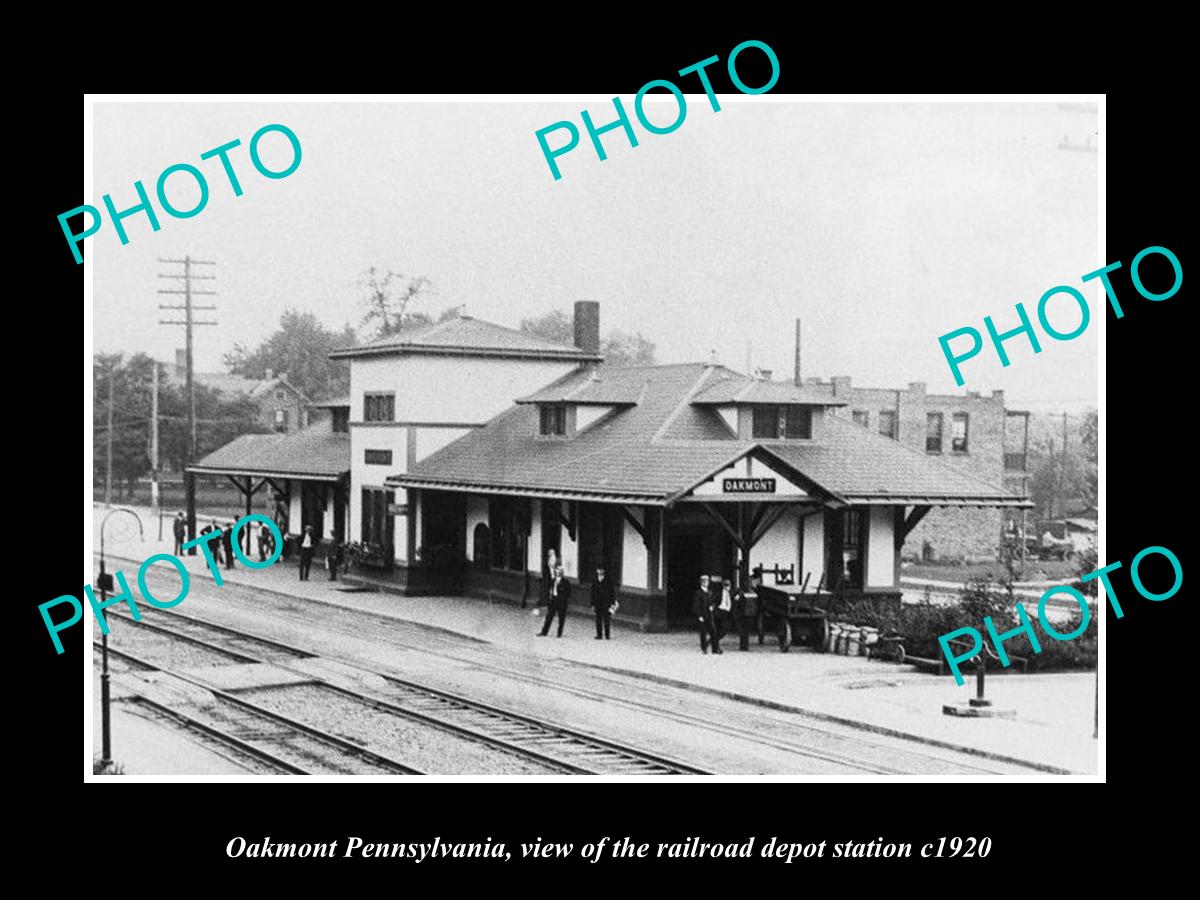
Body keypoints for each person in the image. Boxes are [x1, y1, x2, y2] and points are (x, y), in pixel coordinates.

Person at [692, 575, 722, 654]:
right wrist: (699, 616)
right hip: (702, 615)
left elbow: (712, 602)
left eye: (707, 581)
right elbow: (696, 605)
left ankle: (715, 649)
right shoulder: (698, 593)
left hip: (709, 615)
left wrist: (712, 606)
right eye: (705, 581)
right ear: (701, 583)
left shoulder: (709, 592)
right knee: (703, 633)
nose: (706, 583)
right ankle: (704, 648)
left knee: (714, 632)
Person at [539, 564, 571, 637]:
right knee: (549, 616)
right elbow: (551, 589)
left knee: (561, 618)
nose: (558, 572)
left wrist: (563, 599)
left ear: (562, 572)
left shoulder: (566, 582)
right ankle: (544, 632)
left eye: (560, 571)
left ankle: (559, 633)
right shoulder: (553, 581)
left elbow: (568, 593)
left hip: (561, 602)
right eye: (557, 570)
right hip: (553, 600)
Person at [734, 571, 761, 652]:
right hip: (743, 612)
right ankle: (743, 646)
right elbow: (736, 599)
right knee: (743, 630)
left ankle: (744, 646)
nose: (756, 582)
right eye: (754, 581)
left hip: (751, 613)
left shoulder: (757, 590)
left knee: (746, 630)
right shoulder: (741, 590)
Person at [591, 564, 616, 640]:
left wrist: (612, 603)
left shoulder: (608, 581)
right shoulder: (595, 581)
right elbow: (592, 593)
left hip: (606, 603)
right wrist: (592, 604)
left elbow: (612, 592)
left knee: (606, 619)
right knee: (598, 619)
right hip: (597, 603)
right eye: (599, 570)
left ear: (604, 571)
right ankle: (599, 634)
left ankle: (607, 635)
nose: (600, 571)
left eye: (601, 570)